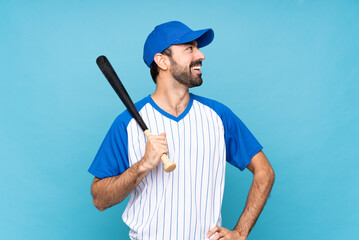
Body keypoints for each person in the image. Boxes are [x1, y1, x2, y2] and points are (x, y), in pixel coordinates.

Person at [89, 21, 275, 240]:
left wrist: (240, 232)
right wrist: (143, 166)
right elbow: (99, 200)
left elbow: (265, 172)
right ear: (162, 61)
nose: (201, 55)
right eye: (189, 48)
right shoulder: (127, 124)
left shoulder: (218, 116)